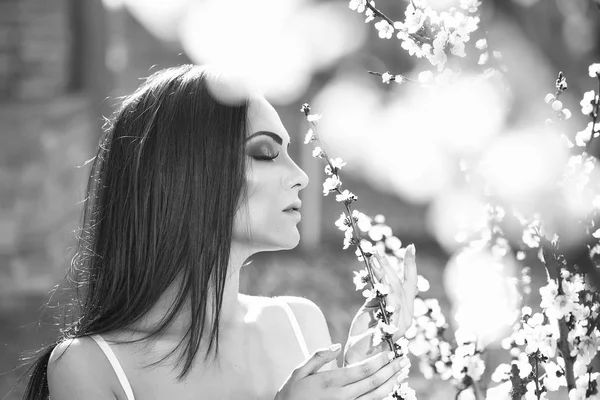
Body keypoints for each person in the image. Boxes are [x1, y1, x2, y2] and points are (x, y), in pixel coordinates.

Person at [22, 64, 418, 400]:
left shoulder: (300, 322)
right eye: (265, 153)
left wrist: (361, 373)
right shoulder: (89, 366)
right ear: (184, 173)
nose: (299, 177)